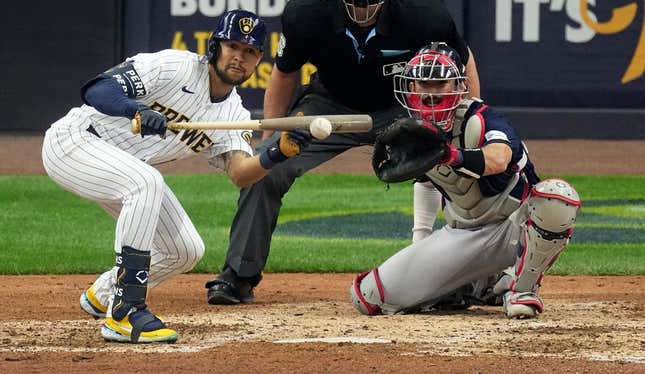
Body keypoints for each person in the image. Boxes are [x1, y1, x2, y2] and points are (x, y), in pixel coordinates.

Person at [41, 10, 313, 344]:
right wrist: (136, 109)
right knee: (146, 182)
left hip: (123, 166)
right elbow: (98, 89)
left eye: (250, 52)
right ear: (215, 46)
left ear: (259, 60)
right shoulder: (174, 66)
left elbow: (241, 174)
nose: (239, 57)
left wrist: (278, 153)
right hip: (75, 142)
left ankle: (104, 294)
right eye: (232, 46)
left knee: (184, 250)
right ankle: (125, 312)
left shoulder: (235, 114)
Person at [205, 0, 482, 305]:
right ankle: (239, 275)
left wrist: (469, 130)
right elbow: (285, 74)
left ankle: (469, 280)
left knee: (460, 167)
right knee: (267, 168)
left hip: (402, 106)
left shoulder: (424, 12)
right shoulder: (306, 10)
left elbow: (462, 63)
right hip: (328, 106)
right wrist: (269, 142)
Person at [350, 42, 581, 318]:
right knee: (368, 296)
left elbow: (498, 158)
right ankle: (476, 285)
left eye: (439, 84)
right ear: (411, 88)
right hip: (462, 234)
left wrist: (450, 155)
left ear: (458, 85)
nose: (430, 93)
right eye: (422, 84)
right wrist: (421, 242)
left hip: (513, 227)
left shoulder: (483, 119)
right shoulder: (413, 130)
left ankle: (521, 289)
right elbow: (425, 182)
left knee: (557, 197)